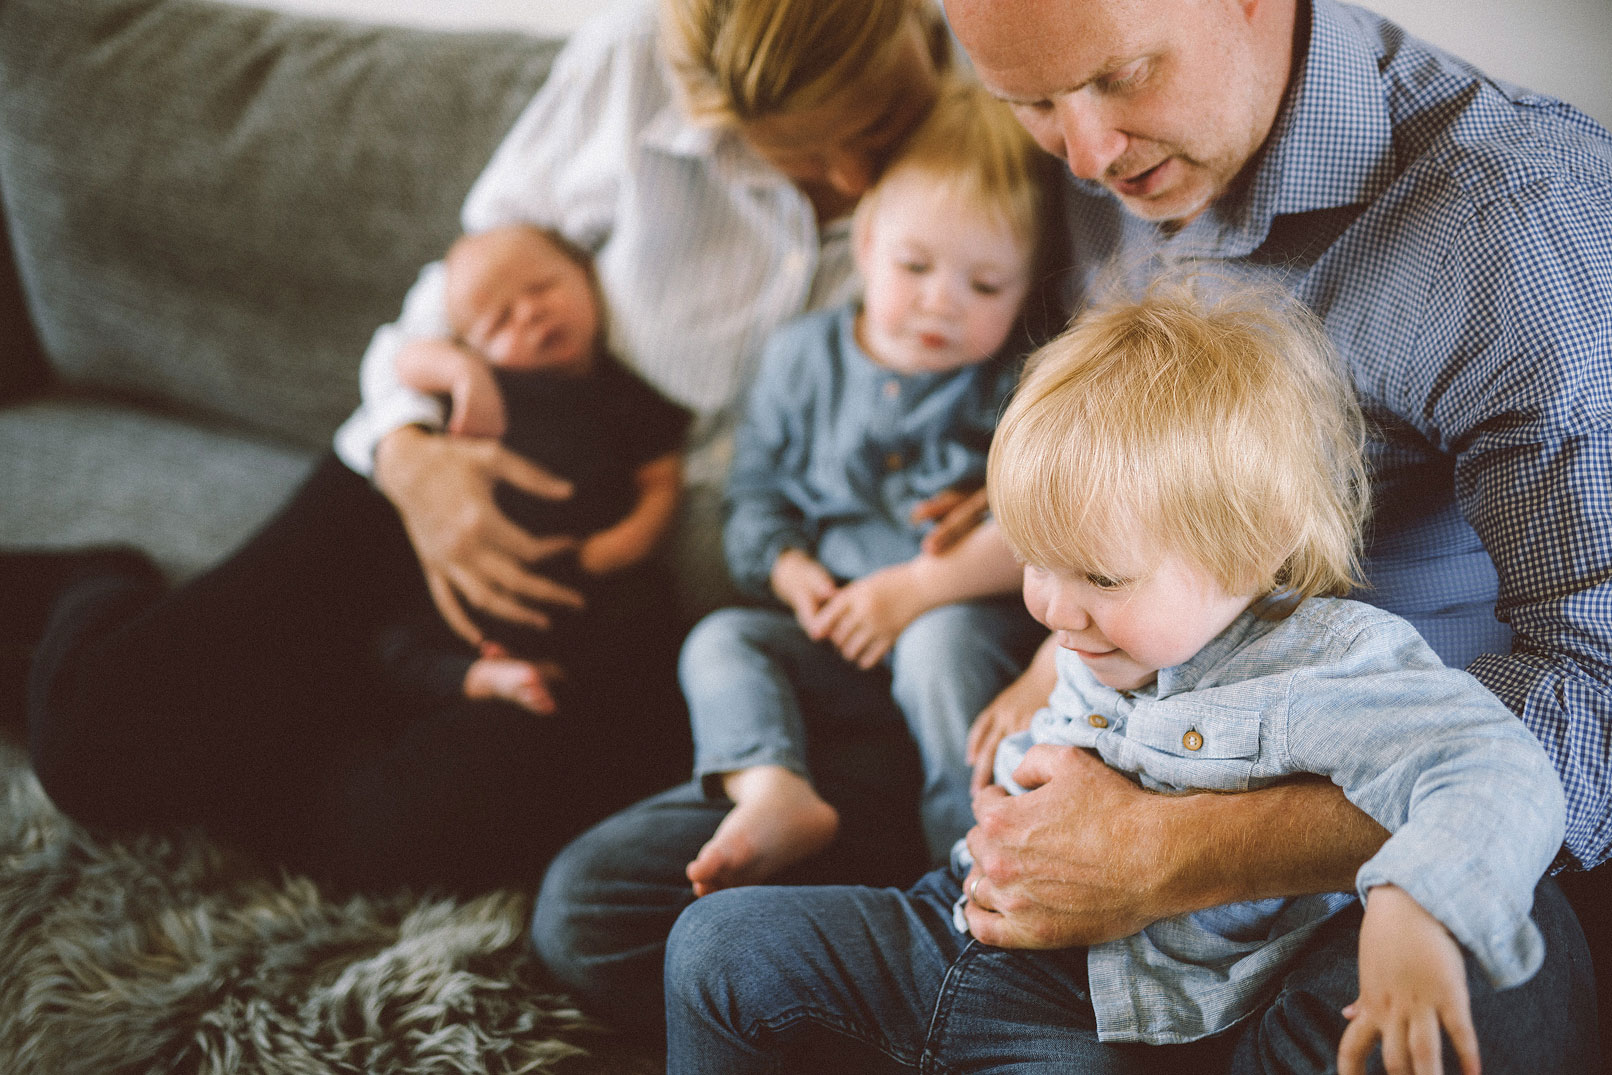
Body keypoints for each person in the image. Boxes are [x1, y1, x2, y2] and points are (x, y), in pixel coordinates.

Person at [534, 0, 1607, 1063]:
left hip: (1345, 826)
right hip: (1074, 705)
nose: (1087, 157)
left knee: (1480, 988)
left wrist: (1166, 851)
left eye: (1121, 77)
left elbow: (1591, 709)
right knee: (609, 915)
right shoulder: (1057, 146)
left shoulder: (1514, 219)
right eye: (1032, 102)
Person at [10, 0, 953, 895]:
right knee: (98, 745)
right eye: (788, 149)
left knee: (404, 830)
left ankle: (311, 704)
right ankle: (97, 583)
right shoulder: (637, 61)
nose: (852, 179)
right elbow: (470, 283)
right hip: (435, 473)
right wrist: (409, 454)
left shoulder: (1000, 123)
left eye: (876, 124)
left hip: (609, 607)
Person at [663, 281, 1567, 1075]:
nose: (1054, 609)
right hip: (962, 921)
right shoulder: (1103, 636)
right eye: (1035, 559)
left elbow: (1496, 764)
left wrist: (1413, 904)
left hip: (1106, 1016)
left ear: (1251, 548)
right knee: (714, 944)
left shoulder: (1330, 663)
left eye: (1100, 576)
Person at [679, 82, 1049, 891]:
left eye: (986, 286)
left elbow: (1049, 530)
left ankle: (967, 861)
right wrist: (789, 570)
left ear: (1027, 287)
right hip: (834, 635)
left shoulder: (1016, 382)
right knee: (720, 641)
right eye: (915, 266)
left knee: (937, 645)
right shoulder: (799, 359)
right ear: (868, 242)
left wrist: (914, 591)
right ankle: (773, 787)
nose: (941, 302)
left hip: (959, 633)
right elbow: (755, 496)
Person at [381, 224, 689, 715]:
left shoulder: (623, 394)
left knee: (647, 626)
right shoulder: (491, 384)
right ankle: (482, 676)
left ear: (587, 275)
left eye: (542, 288)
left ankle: (549, 680)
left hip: (591, 577)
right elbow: (407, 360)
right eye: (499, 321)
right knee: (399, 642)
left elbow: (662, 481)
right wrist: (464, 372)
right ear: (471, 345)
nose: (529, 313)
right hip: (473, 577)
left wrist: (621, 545)